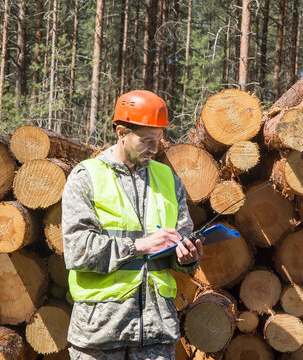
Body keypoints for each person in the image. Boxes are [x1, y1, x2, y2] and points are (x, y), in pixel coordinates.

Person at [62, 89, 202, 360]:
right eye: (147, 140)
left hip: (156, 332)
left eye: (159, 139)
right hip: (100, 332)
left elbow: (181, 239)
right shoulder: (86, 177)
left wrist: (188, 257)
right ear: (121, 132)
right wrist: (139, 246)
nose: (155, 148)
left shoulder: (168, 179)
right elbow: (77, 249)